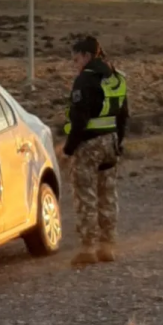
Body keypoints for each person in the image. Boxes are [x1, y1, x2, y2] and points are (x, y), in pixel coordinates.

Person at [60, 36, 129, 266]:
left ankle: (88, 248)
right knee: (107, 195)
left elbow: (79, 119)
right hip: (110, 143)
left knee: (85, 196)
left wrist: (68, 150)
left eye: (76, 58)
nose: (75, 64)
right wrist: (118, 142)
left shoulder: (85, 80)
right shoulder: (115, 77)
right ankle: (107, 246)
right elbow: (123, 115)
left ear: (87, 56)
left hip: (89, 145)